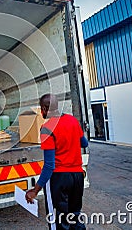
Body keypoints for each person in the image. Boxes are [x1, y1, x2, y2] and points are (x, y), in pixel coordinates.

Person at [25, 94, 88, 229]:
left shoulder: (47, 128)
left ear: (44, 108)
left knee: (59, 221)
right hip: (77, 176)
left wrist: (35, 190)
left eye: (41, 109)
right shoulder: (73, 121)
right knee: (75, 216)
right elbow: (84, 143)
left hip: (60, 179)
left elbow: (49, 165)